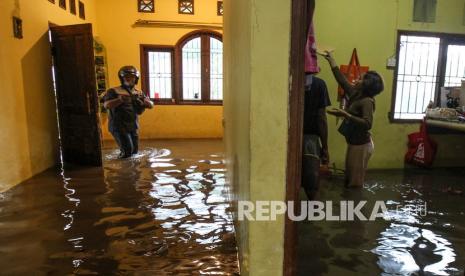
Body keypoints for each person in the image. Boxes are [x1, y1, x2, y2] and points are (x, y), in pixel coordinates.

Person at [322, 51, 384, 188]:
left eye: (361, 79)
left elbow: (368, 124)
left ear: (366, 86)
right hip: (354, 143)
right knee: (349, 179)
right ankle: (351, 206)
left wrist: (346, 115)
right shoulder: (356, 94)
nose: (356, 80)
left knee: (354, 184)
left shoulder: (367, 101)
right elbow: (342, 81)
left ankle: (356, 207)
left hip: (361, 146)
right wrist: (331, 61)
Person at [103, 65, 154, 158]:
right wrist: (120, 100)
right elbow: (106, 105)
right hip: (118, 126)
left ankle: (132, 171)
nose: (129, 79)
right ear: (122, 78)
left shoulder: (138, 92)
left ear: (136, 79)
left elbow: (151, 105)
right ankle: (123, 171)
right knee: (127, 152)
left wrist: (147, 102)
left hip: (133, 125)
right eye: (126, 77)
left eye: (132, 77)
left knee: (134, 152)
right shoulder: (114, 91)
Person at [302, 74, 331, 200]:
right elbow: (321, 118)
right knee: (312, 184)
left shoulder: (286, 79)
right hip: (310, 140)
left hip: (287, 137)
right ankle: (312, 215)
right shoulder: (319, 84)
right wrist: (325, 147)